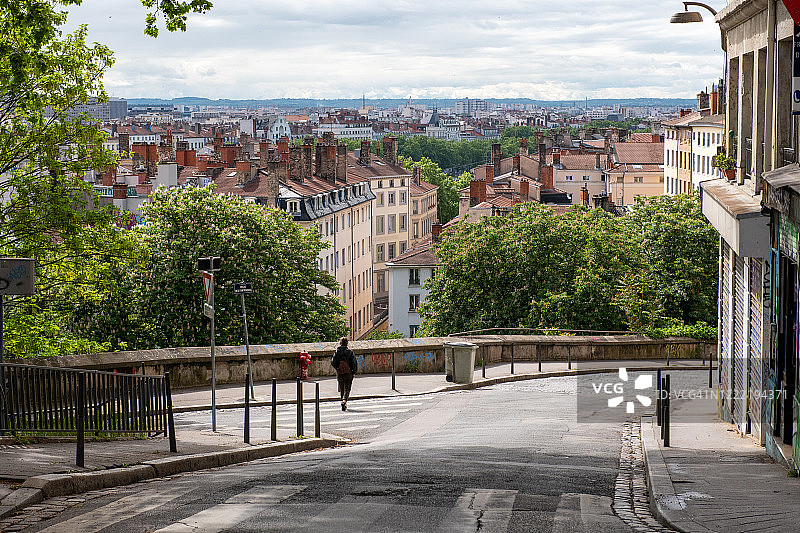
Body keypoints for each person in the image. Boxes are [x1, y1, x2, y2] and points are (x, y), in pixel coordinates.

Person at [331, 337, 357, 411]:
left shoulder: (337, 352)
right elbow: (354, 363)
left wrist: (338, 368)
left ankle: (343, 401)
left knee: (342, 388)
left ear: (340, 343)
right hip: (348, 373)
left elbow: (333, 362)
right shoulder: (350, 352)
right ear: (347, 343)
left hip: (340, 372)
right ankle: (344, 401)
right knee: (347, 388)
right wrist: (353, 371)